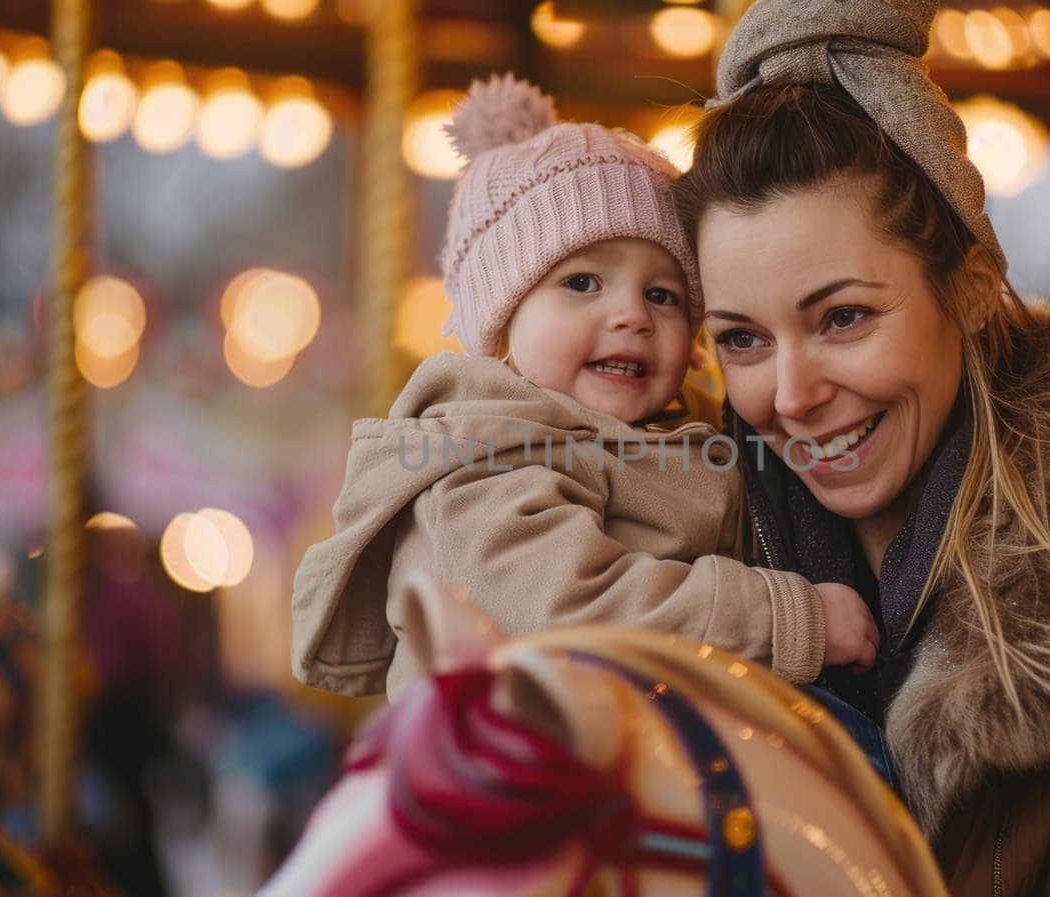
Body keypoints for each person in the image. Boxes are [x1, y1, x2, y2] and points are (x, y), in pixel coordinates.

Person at [669, 1, 1050, 894]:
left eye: (843, 317)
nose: (792, 394)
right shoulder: (672, 547)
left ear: (969, 292)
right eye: (740, 338)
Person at [290, 76, 879, 720]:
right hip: (525, 774)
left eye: (663, 295)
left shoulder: (680, 439)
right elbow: (565, 608)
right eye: (581, 282)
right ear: (502, 319)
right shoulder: (482, 461)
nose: (631, 313)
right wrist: (794, 619)